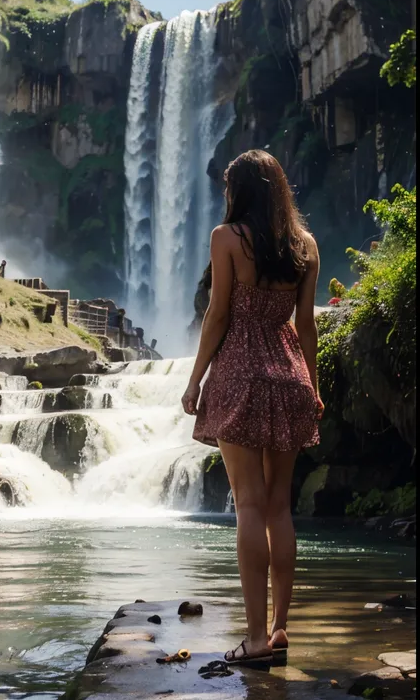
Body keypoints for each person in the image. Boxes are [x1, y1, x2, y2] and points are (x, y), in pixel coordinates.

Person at [181, 150, 324, 668]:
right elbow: (306, 326)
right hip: (289, 373)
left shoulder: (227, 239)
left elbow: (218, 315)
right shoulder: (304, 246)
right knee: (279, 507)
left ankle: (256, 637)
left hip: (240, 369)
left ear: (239, 190)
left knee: (247, 505)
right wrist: (313, 386)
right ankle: (282, 629)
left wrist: (195, 379)